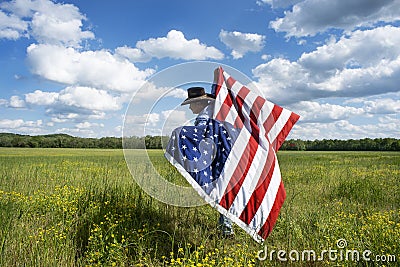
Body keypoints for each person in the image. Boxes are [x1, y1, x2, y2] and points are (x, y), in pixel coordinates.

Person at [181, 86, 235, 238]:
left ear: (199, 103)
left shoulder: (203, 118)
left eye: (192, 103)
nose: (190, 107)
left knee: (220, 192)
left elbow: (200, 138)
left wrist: (180, 134)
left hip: (218, 159)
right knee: (225, 191)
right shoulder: (216, 112)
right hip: (227, 156)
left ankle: (227, 231)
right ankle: (226, 227)